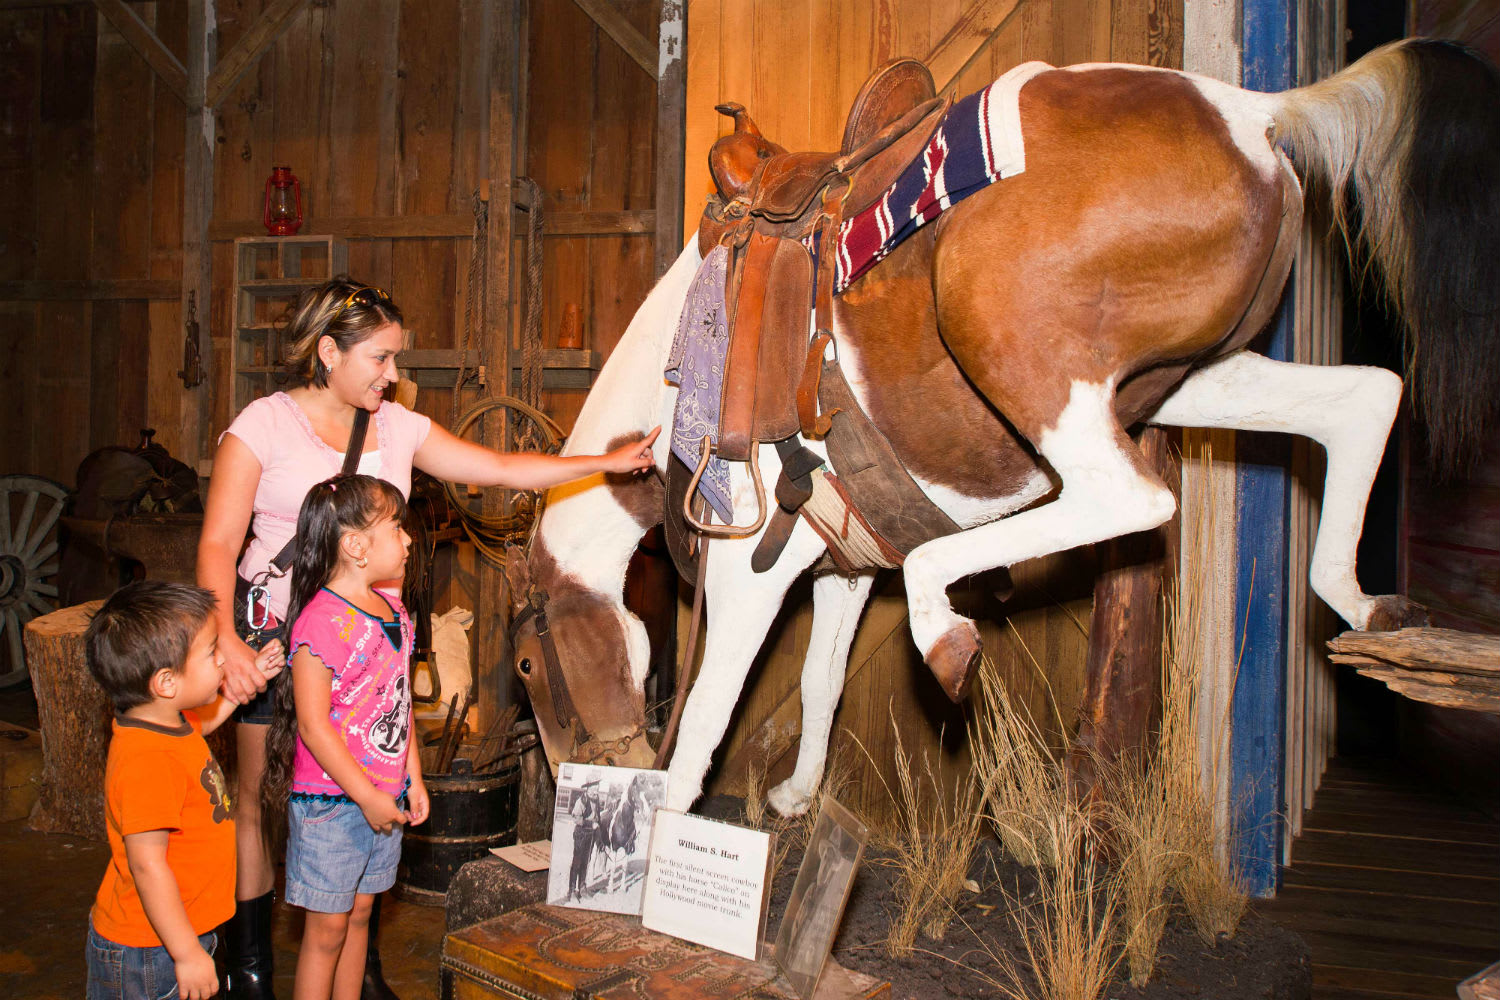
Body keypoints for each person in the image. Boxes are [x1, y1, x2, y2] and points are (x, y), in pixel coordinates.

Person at [196, 277, 657, 998]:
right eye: (380, 358)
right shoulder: (263, 425)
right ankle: (249, 966)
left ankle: (361, 960)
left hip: (367, 644)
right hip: (270, 638)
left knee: (370, 788)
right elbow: (221, 542)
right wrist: (223, 638)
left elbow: (498, 469)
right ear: (328, 352)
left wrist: (599, 464)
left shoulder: (399, 429)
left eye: (395, 359)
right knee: (260, 796)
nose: (393, 374)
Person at [257, 475, 426, 1000]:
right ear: (355, 546)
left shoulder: (395, 612)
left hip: (383, 798)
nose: (408, 540)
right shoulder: (319, 622)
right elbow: (312, 725)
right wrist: (368, 796)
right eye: (396, 527)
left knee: (360, 916)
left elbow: (401, 704)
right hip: (333, 804)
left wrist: (412, 779)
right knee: (326, 931)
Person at [84, 581, 283, 1000]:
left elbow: (203, 725)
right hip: (150, 951)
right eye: (212, 652)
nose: (223, 659)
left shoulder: (166, 720)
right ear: (166, 682)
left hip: (181, 934)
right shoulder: (147, 761)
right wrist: (187, 953)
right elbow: (147, 867)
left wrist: (249, 683)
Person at [568, 784, 601, 902]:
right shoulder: (581, 801)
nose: (595, 792)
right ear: (587, 789)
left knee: (585, 862)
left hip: (590, 836)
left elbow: (597, 818)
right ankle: (571, 891)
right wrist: (590, 824)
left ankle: (582, 888)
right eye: (593, 790)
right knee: (577, 862)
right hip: (580, 834)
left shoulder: (596, 800)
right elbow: (576, 818)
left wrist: (598, 832)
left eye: (597, 789)